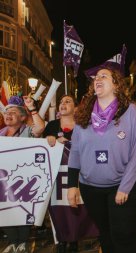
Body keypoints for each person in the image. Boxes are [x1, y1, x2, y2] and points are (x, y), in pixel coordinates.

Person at [67, 68, 136, 253]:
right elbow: (75, 151)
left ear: (116, 85)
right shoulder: (82, 114)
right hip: (91, 187)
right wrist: (72, 185)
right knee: (106, 233)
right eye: (95, 77)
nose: (97, 79)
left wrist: (124, 187)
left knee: (123, 235)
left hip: (126, 185)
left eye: (104, 76)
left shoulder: (131, 112)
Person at [0, 96, 45, 253]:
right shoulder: (1, 133)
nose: (8, 115)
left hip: (24, 181)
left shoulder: (27, 131)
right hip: (4, 181)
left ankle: (23, 242)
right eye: (6, 112)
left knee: (23, 209)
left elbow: (40, 128)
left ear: (22, 117)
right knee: (4, 209)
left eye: (12, 112)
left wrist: (32, 108)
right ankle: (12, 241)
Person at [43, 95, 78, 253]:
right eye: (62, 102)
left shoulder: (82, 126)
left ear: (75, 108)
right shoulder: (51, 125)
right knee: (58, 207)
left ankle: (75, 237)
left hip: (76, 175)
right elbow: (42, 148)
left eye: (68, 101)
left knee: (75, 205)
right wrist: (48, 139)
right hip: (56, 176)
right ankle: (61, 238)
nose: (63, 104)